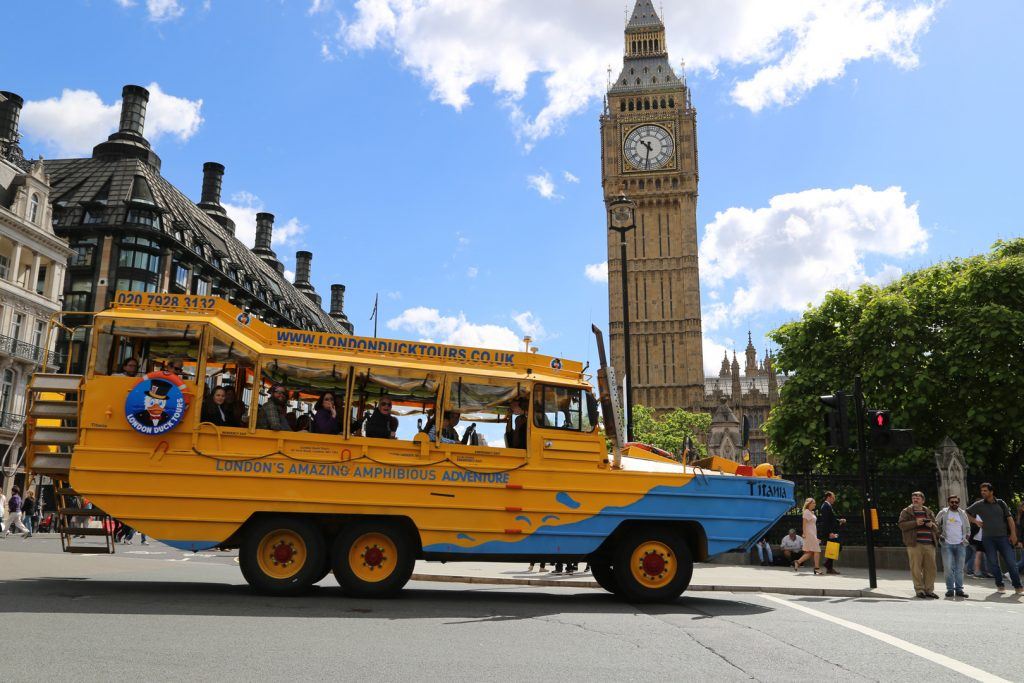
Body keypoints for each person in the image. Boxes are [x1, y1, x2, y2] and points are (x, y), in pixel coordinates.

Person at [967, 482, 1022, 593]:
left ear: (991, 492)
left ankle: (1018, 587)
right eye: (981, 491)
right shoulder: (979, 504)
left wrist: (1013, 534)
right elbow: (965, 513)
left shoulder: (1001, 503)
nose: (983, 493)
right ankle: (1000, 585)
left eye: (985, 491)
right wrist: (975, 521)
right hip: (988, 539)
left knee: (1011, 562)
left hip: (1003, 538)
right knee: (993, 563)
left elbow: (1010, 519)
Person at [898, 491, 940, 599]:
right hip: (914, 544)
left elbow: (936, 528)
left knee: (931, 568)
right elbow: (901, 525)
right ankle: (919, 590)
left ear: (923, 500)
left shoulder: (928, 511)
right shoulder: (906, 511)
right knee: (916, 568)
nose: (915, 499)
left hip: (929, 544)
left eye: (918, 498)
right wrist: (915, 523)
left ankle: (929, 590)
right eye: (913, 498)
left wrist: (931, 525)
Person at [936, 494, 970, 598]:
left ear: (958, 503)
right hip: (947, 544)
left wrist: (966, 538)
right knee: (948, 568)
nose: (954, 504)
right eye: (952, 502)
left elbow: (968, 527)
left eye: (956, 502)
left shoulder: (962, 513)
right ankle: (950, 589)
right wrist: (939, 535)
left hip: (960, 544)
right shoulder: (943, 512)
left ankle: (959, 590)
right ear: (948, 503)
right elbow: (935, 524)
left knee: (959, 569)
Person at [817, 491, 846, 575]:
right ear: (828, 497)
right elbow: (826, 521)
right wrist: (829, 533)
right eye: (833, 498)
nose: (834, 499)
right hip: (829, 532)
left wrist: (839, 521)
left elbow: (831, 519)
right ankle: (828, 564)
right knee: (837, 546)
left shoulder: (827, 506)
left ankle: (829, 567)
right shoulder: (825, 506)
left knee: (834, 547)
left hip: (831, 531)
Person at [793, 498, 821, 574]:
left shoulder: (811, 512)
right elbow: (804, 524)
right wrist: (804, 534)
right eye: (813, 503)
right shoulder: (806, 512)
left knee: (810, 552)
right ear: (809, 504)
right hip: (809, 534)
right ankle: (817, 568)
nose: (815, 504)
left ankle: (798, 562)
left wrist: (815, 536)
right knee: (817, 550)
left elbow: (812, 525)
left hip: (812, 534)